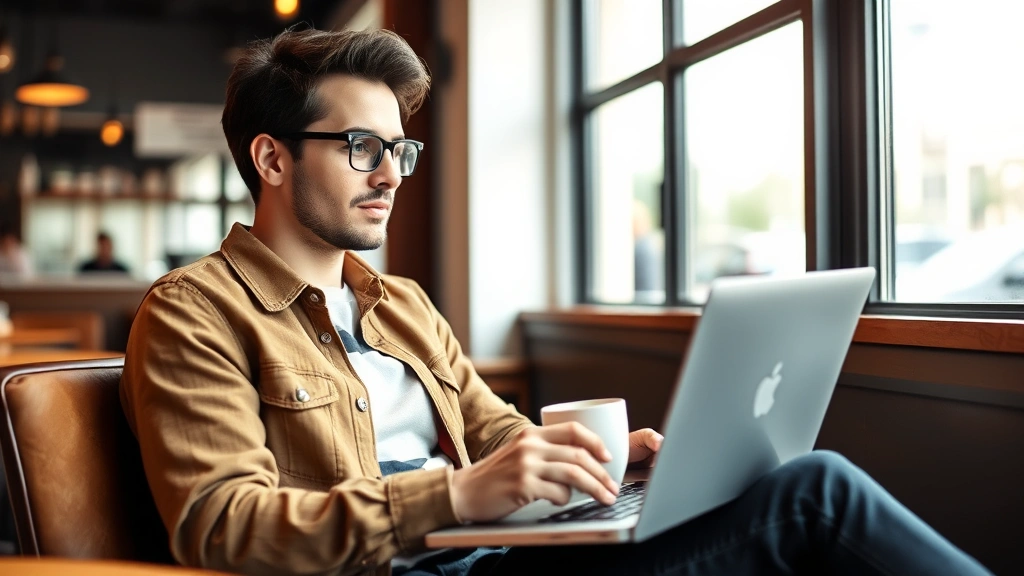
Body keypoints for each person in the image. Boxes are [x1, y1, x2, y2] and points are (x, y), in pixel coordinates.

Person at [119, 27, 994, 576]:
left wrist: (597, 462)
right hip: (424, 568)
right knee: (815, 498)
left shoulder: (402, 303)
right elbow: (220, 526)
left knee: (793, 484)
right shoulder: (193, 314)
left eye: (397, 150)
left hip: (505, 550)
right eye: (359, 146)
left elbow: (498, 432)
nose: (390, 174)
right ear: (272, 160)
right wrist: (454, 499)